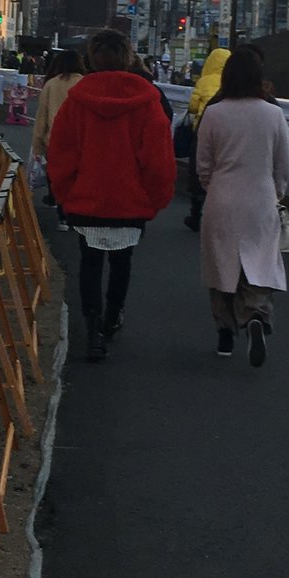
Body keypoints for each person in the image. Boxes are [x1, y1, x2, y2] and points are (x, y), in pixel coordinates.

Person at [47, 29, 176, 362]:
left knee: (89, 264)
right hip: (130, 203)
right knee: (122, 263)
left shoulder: (77, 100)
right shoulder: (148, 101)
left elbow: (62, 152)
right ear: (127, 57)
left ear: (93, 58)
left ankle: (92, 329)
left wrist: (64, 193)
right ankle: (111, 318)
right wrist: (155, 199)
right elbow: (158, 159)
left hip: (86, 200)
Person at [196, 48, 289, 365]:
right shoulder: (273, 114)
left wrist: (214, 187)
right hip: (261, 197)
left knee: (221, 266)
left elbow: (203, 165)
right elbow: (283, 165)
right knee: (259, 265)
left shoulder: (214, 113)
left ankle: (224, 335)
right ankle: (255, 316)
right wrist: (274, 192)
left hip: (222, 198)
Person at [30, 49, 84, 223]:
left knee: (57, 176)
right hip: (79, 140)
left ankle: (61, 213)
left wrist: (37, 144)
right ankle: (72, 212)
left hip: (54, 139)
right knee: (77, 177)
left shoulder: (51, 84)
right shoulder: (85, 84)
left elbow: (42, 117)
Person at [181, 47, 229, 231]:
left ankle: (196, 214)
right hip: (225, 132)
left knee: (199, 168)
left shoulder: (204, 81)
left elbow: (193, 107)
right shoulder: (229, 81)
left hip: (202, 128)